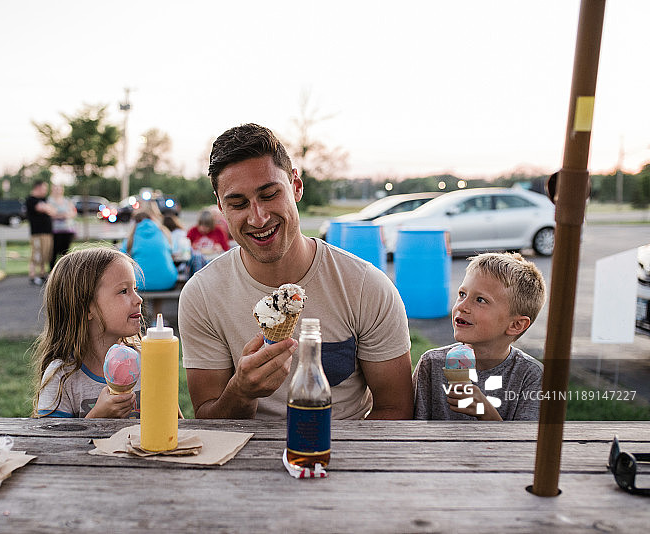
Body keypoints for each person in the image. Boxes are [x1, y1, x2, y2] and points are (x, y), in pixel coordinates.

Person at [178, 123, 413, 420]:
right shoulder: (202, 295)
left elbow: (397, 409)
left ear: (296, 187)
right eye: (238, 203)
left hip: (344, 458)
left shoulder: (365, 286)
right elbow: (207, 417)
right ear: (221, 208)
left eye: (269, 194)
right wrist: (241, 391)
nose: (258, 218)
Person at [412, 252, 546, 421]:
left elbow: (525, 445)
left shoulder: (531, 376)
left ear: (515, 325)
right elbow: (412, 432)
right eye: (462, 294)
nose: (463, 306)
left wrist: (485, 412)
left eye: (480, 300)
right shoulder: (431, 364)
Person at [32, 247, 143, 418]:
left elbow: (176, 426)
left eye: (135, 289)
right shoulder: (62, 377)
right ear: (86, 308)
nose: (138, 299)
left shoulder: (146, 360)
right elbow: (52, 442)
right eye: (123, 291)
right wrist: (97, 417)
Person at [124, 210, 178, 291]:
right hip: (167, 282)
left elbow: (122, 258)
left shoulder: (132, 237)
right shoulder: (163, 232)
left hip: (140, 283)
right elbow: (174, 252)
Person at [26, 180, 55, 286]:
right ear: (37, 188)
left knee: (45, 253)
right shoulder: (31, 200)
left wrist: (48, 209)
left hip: (47, 231)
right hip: (37, 232)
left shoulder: (44, 199)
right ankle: (32, 275)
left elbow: (52, 211)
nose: (45, 191)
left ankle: (42, 274)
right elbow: (44, 209)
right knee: (36, 254)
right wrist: (47, 208)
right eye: (44, 188)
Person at [46, 183, 77, 269]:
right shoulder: (49, 200)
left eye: (59, 189)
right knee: (54, 251)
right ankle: (52, 270)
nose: (58, 191)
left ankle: (65, 271)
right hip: (55, 230)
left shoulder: (66, 200)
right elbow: (51, 213)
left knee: (65, 252)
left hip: (67, 229)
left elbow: (73, 212)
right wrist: (63, 215)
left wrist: (64, 215)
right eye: (56, 189)